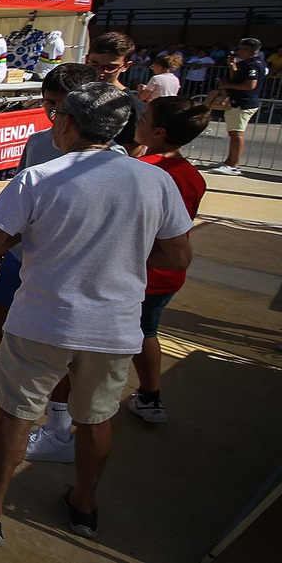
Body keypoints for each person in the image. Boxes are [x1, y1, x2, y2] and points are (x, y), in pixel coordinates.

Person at [0, 83, 193, 547]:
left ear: (66, 124)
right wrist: (121, 252)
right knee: (96, 418)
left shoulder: (38, 178)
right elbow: (178, 256)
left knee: (15, 415)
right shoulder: (155, 180)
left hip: (41, 318)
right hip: (114, 324)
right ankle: (84, 505)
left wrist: (35, 239)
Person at [0, 62, 101, 393]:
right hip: (21, 249)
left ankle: (56, 402)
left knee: (59, 331)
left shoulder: (111, 154)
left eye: (63, 104)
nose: (55, 113)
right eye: (49, 103)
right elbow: (20, 196)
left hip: (66, 256)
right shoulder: (37, 141)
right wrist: (7, 243)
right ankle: (7, 362)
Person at [127, 96, 210, 423]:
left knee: (127, 335)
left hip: (138, 272)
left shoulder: (141, 171)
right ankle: (149, 396)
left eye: (144, 118)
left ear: (158, 132)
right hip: (165, 276)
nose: (138, 121)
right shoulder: (193, 176)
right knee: (146, 332)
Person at [211, 37, 268, 176]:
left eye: (240, 49)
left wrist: (228, 85)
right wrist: (232, 65)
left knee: (237, 134)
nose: (238, 51)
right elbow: (237, 77)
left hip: (242, 102)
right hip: (243, 102)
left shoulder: (252, 65)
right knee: (234, 133)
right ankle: (229, 161)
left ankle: (234, 165)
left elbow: (250, 85)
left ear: (246, 50)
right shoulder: (254, 63)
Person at [85, 32, 145, 154]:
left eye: (110, 68)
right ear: (86, 59)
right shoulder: (76, 93)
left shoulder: (132, 106)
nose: (101, 73)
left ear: (126, 66)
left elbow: (132, 152)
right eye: (94, 64)